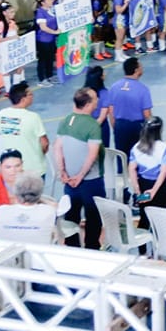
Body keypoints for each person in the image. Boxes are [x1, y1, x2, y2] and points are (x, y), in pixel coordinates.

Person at [54, 87, 106, 249]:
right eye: (95, 99)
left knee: (71, 215)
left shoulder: (65, 121)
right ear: (88, 104)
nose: (98, 101)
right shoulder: (92, 126)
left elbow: (58, 148)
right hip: (91, 181)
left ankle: (73, 247)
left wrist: (62, 172)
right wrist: (81, 175)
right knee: (93, 216)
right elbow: (92, 154)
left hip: (69, 181)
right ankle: (92, 247)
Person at [0, 81, 50, 176]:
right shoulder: (32, 117)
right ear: (23, 99)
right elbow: (44, 143)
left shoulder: (1, 114)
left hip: (12, 168)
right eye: (30, 94)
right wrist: (38, 155)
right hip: (33, 168)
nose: (32, 96)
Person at [104, 56, 153, 156]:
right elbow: (147, 114)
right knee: (138, 155)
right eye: (140, 66)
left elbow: (111, 111)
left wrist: (115, 127)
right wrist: (151, 132)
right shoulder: (143, 89)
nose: (142, 68)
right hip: (137, 126)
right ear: (136, 70)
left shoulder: (114, 87)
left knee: (122, 155)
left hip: (120, 125)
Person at [0, 171, 60, 243]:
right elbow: (55, 206)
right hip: (37, 250)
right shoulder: (48, 211)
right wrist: (39, 198)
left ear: (15, 192)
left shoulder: (1, 211)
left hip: (6, 250)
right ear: (40, 193)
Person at [129, 117, 166, 213]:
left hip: (142, 184)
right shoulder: (164, 148)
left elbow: (132, 169)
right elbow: (164, 171)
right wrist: (153, 191)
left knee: (144, 214)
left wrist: (137, 189)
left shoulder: (136, 147)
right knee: (160, 215)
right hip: (159, 186)